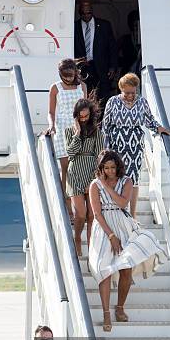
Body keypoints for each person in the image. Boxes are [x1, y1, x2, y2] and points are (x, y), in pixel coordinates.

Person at [89, 150, 168, 332]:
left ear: (118, 166)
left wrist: (107, 186)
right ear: (101, 168)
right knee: (104, 269)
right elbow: (97, 214)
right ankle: (106, 313)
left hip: (123, 225)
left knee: (126, 269)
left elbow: (123, 204)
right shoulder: (94, 185)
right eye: (106, 168)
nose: (109, 171)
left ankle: (120, 307)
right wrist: (111, 236)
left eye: (112, 167)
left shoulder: (127, 181)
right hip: (103, 228)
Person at [103, 73, 170, 218]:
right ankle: (117, 212)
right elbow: (105, 126)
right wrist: (105, 148)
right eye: (127, 92)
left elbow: (149, 121)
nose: (130, 96)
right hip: (117, 145)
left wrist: (159, 128)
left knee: (133, 180)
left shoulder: (142, 102)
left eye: (133, 92)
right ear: (121, 89)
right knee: (116, 177)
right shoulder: (112, 101)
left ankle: (132, 215)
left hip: (135, 146)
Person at [47, 59, 87, 219]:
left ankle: (79, 206)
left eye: (70, 75)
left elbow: (86, 110)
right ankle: (67, 206)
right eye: (64, 75)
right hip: (62, 128)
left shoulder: (82, 86)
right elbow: (51, 112)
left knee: (77, 169)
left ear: (75, 72)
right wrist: (51, 126)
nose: (68, 78)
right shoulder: (55, 88)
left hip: (78, 128)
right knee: (65, 169)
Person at [65, 98, 104, 256]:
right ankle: (77, 238)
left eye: (86, 116)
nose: (83, 119)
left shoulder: (97, 132)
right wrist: (78, 133)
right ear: (76, 116)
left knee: (91, 214)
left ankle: (92, 248)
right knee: (80, 214)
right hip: (74, 173)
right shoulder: (69, 131)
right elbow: (70, 153)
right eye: (80, 116)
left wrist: (94, 180)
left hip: (91, 173)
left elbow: (100, 156)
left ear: (91, 115)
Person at [74, 0, 117, 107]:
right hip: (83, 67)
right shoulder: (74, 26)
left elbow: (112, 47)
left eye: (88, 13)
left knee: (103, 96)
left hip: (101, 66)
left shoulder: (104, 25)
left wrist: (113, 66)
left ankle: (103, 121)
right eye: (83, 13)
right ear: (80, 13)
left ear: (92, 12)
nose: (86, 15)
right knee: (85, 96)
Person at [118, 10, 142, 77]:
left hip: (141, 73)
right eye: (134, 25)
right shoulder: (123, 39)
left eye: (138, 25)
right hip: (127, 73)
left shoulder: (146, 40)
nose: (136, 27)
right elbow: (114, 55)